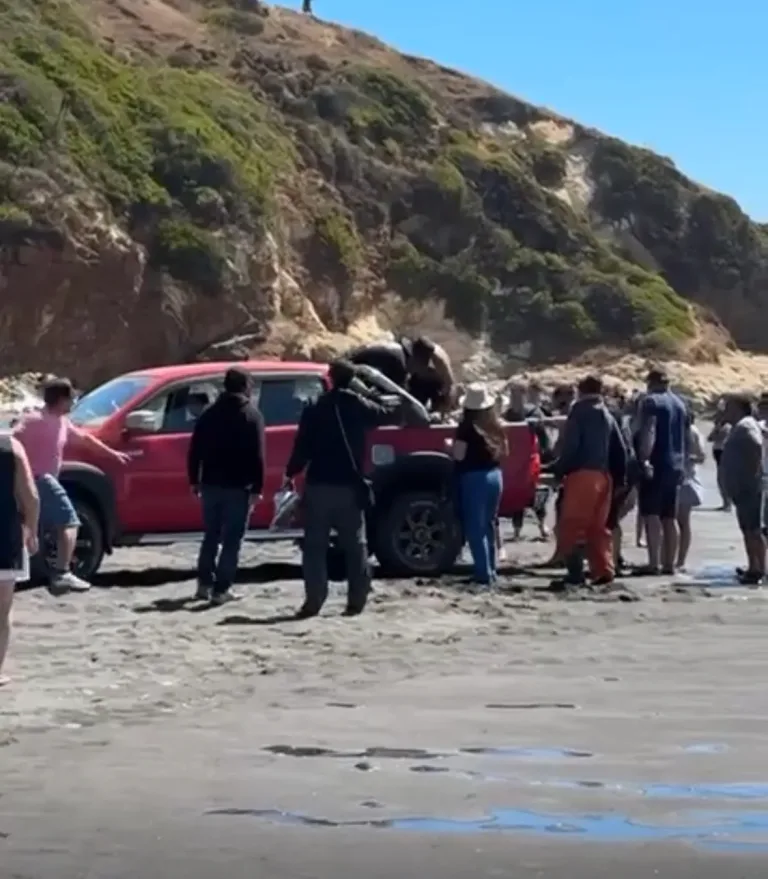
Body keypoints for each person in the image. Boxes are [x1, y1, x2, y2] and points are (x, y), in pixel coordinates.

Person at [283, 359, 400, 618]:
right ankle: (356, 601)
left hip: (319, 485)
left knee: (314, 547)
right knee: (355, 546)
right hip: (350, 485)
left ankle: (314, 601)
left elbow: (302, 447)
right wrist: (369, 392)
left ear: (330, 378)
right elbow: (388, 412)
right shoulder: (359, 405)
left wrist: (290, 472)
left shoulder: (315, 407)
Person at [14, 377, 130, 592]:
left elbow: (85, 439)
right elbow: (11, 439)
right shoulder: (33, 420)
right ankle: (62, 573)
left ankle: (34, 568)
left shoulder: (60, 421)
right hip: (40, 479)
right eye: (71, 398)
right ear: (61, 400)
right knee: (69, 522)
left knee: (34, 527)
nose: (73, 402)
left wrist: (112, 454)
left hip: (37, 480)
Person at [187, 368, 265, 605]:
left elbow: (195, 451)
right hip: (239, 486)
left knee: (211, 535)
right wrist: (258, 488)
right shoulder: (252, 415)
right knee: (232, 540)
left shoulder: (209, 414)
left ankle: (204, 585)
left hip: (211, 483)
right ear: (246, 386)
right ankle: (221, 589)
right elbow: (258, 456)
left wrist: (194, 480)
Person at [553, 374, 628, 587]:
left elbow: (572, 446)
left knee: (572, 524)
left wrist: (559, 469)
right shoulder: (607, 412)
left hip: (582, 476)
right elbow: (620, 448)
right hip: (604, 476)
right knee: (598, 527)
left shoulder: (579, 412)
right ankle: (603, 570)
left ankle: (575, 572)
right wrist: (620, 478)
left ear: (581, 390)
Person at [451, 384, 508, 586]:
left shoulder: (466, 428)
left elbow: (459, 455)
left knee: (476, 527)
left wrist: (450, 447)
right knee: (490, 524)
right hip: (495, 475)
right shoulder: (495, 425)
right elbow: (505, 451)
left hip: (474, 477)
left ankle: (483, 573)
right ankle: (491, 570)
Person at [635, 367, 688, 575]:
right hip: (676, 464)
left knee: (651, 514)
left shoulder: (651, 402)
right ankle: (669, 564)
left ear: (651, 382)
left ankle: (654, 562)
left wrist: (644, 458)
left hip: (657, 462)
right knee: (669, 516)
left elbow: (650, 430)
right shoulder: (680, 404)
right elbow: (685, 436)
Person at [0, 434, 39, 687]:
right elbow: (30, 497)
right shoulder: (10, 446)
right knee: (2, 611)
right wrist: (32, 530)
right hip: (4, 536)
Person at [720, 394, 766, 584]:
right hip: (743, 486)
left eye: (729, 407)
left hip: (749, 486)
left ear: (739, 408)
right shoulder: (740, 426)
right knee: (747, 529)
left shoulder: (746, 425)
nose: (725, 411)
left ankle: (759, 569)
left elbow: (756, 445)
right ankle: (753, 567)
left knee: (753, 530)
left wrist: (753, 470)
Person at [347, 336, 455, 414]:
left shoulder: (399, 351)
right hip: (350, 376)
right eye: (420, 368)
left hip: (350, 366)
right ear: (416, 360)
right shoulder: (398, 364)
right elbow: (399, 398)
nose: (415, 373)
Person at [503, 382, 552, 540]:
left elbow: (544, 438)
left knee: (535, 493)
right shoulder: (507, 415)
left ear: (524, 396)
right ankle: (517, 530)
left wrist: (545, 455)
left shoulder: (533, 412)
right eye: (512, 395)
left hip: (531, 458)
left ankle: (542, 525)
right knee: (516, 494)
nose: (514, 399)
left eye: (517, 395)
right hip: (512, 459)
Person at [676, 408, 705, 570]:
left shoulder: (692, 431)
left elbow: (701, 456)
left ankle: (681, 560)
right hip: (673, 477)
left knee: (682, 521)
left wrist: (685, 458)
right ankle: (667, 558)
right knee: (668, 521)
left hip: (687, 479)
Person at [708, 402, 732, 511]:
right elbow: (710, 438)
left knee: (723, 478)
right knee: (720, 479)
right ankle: (725, 502)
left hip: (723, 451)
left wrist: (716, 432)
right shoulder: (718, 426)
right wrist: (716, 430)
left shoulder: (727, 426)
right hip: (717, 451)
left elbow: (719, 437)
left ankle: (728, 503)